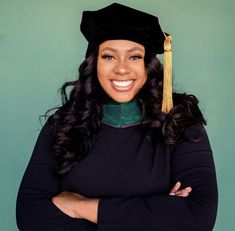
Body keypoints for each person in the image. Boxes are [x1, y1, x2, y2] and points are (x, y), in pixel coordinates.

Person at [16, 3, 218, 231]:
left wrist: (79, 206)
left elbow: (198, 217)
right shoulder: (65, 124)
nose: (122, 69)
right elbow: (31, 216)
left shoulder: (180, 123)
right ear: (94, 63)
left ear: (147, 65)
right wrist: (157, 216)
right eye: (109, 56)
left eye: (134, 57)